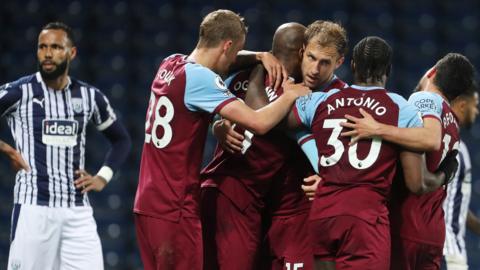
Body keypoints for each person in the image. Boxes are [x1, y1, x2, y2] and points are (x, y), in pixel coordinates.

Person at [133, 10, 310, 270]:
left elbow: (226, 65)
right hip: (176, 207)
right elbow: (259, 123)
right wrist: (289, 95)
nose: (233, 63)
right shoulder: (202, 79)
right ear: (228, 45)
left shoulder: (169, 63)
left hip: (146, 205)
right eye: (237, 50)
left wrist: (260, 55)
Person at [286, 36, 449, 270]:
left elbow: (280, 122)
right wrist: (444, 174)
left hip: (323, 212)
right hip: (365, 219)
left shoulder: (321, 100)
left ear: (352, 65)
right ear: (389, 70)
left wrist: (304, 136)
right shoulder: (400, 108)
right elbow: (416, 182)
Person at [0, 22, 132, 270]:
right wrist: (8, 150)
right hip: (33, 209)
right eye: (42, 47)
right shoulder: (20, 92)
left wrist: (102, 178)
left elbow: (121, 140)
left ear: (71, 53)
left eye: (56, 47)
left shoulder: (90, 97)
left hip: (77, 212)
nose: (47, 53)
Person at [342, 53, 476, 269]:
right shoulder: (453, 124)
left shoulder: (424, 99)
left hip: (406, 226)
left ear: (432, 73)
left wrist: (376, 129)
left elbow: (415, 180)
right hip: (432, 232)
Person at [442, 89, 480, 270]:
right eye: (476, 105)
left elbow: (456, 203)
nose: (477, 111)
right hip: (448, 252)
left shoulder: (455, 145)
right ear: (462, 104)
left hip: (448, 250)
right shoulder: (452, 147)